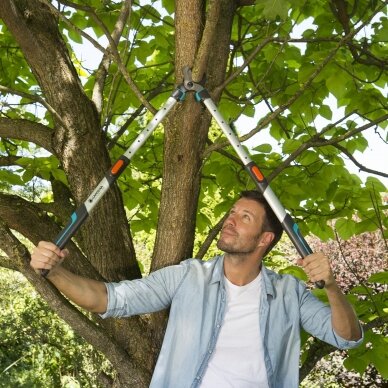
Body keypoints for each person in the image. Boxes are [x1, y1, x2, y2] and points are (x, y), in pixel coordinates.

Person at [31, 190, 363, 388]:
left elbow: (346, 336)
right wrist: (56, 272)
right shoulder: (189, 277)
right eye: (231, 213)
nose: (229, 220)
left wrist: (331, 287)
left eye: (244, 217)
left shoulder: (289, 293)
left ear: (265, 239)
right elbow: (110, 299)